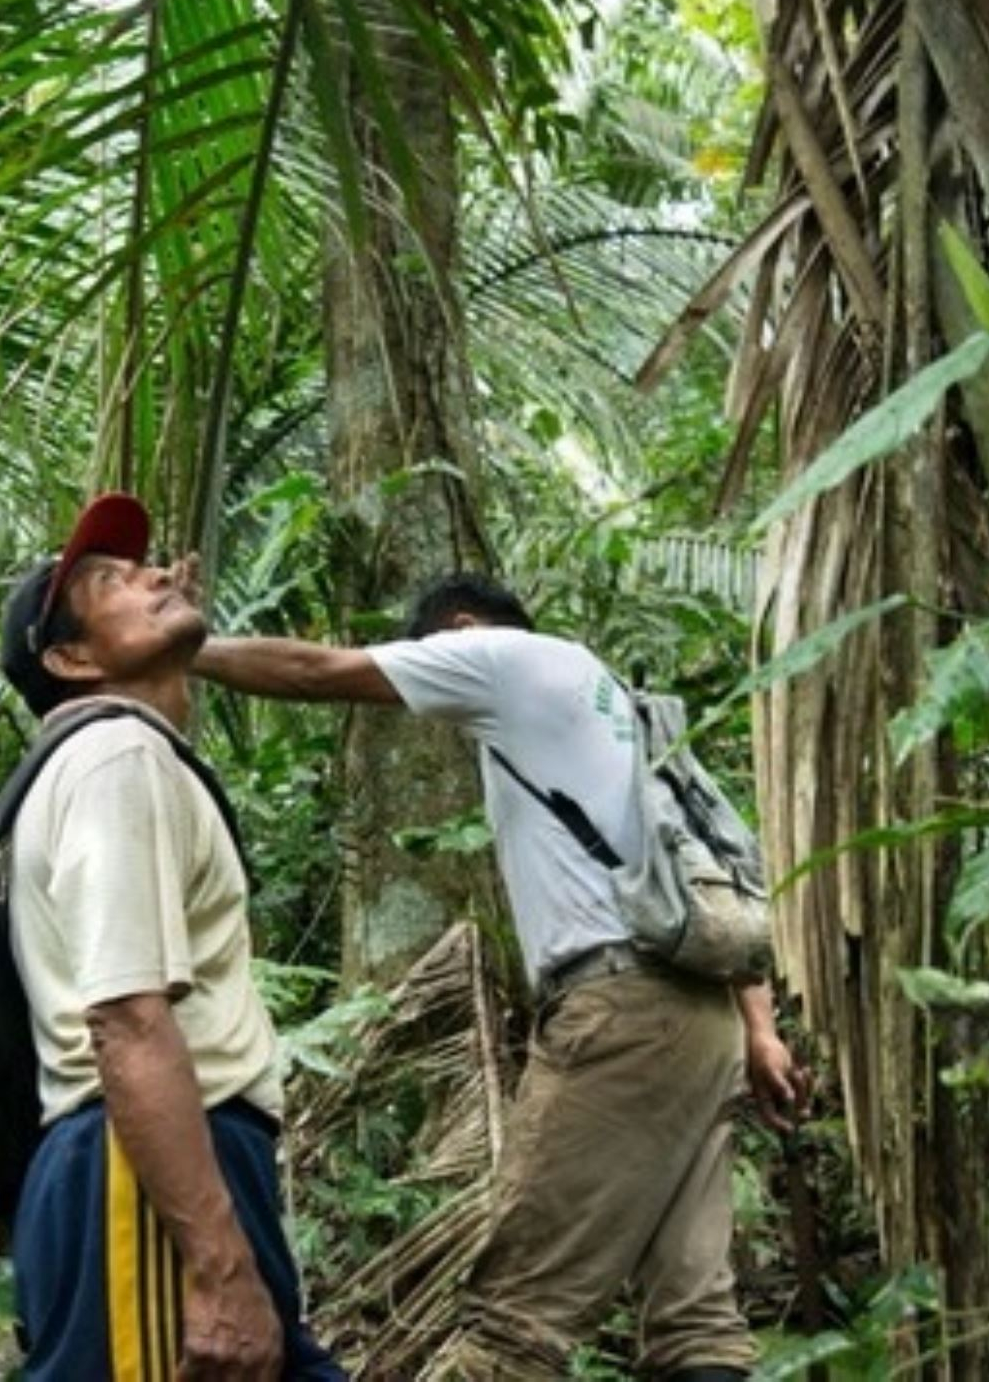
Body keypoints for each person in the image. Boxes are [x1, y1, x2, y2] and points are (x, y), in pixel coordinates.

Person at [192, 572, 809, 1382]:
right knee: (697, 1321)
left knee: (514, 1318)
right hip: (704, 1023)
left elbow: (319, 672)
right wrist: (760, 1029)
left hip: (621, 1016)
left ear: (457, 628)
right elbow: (718, 868)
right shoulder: (621, 704)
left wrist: (186, 647)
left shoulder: (498, 658)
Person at [0, 492, 341, 1381]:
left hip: (166, 1169)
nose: (153, 574)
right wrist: (219, 1268)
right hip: (143, 1178)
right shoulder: (117, 759)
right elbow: (128, 1018)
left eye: (144, 566)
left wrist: (174, 629)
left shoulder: (126, 753)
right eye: (109, 581)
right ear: (70, 657)